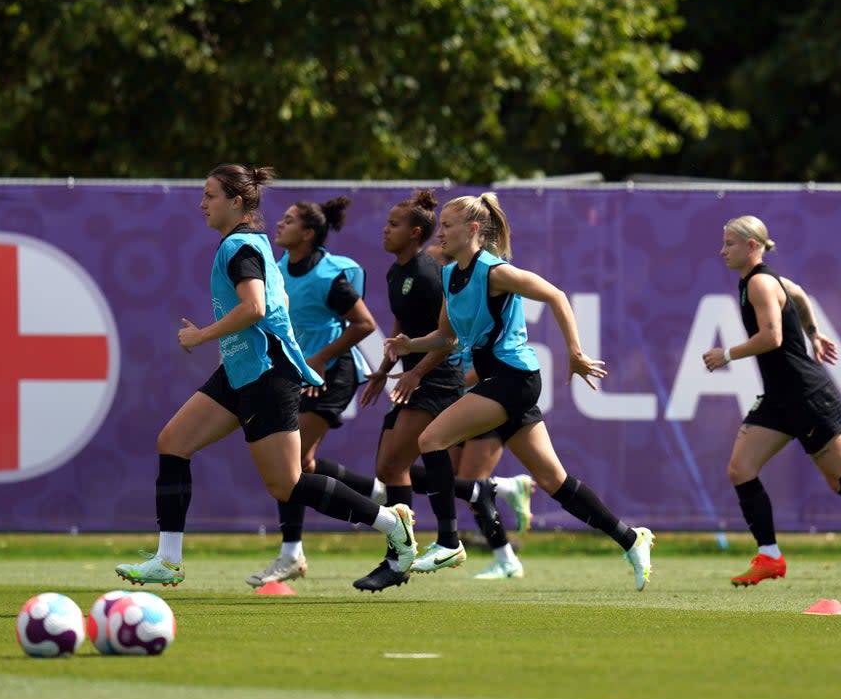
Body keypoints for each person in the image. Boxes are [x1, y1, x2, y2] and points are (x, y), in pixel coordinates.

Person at [114, 164, 416, 588]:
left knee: (287, 484)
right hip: (240, 370)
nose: (202, 203)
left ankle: (390, 523)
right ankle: (168, 559)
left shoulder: (238, 246)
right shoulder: (246, 244)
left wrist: (202, 335)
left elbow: (255, 307)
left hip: (265, 373)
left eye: (210, 195)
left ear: (236, 201)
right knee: (173, 442)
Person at [384, 192, 655, 590]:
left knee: (431, 439)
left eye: (447, 225)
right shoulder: (448, 274)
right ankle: (632, 539)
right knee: (553, 481)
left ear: (473, 230)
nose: (440, 232)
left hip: (513, 378)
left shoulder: (494, 271)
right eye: (441, 225)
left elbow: (557, 296)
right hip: (501, 379)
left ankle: (448, 541)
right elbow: (446, 336)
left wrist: (575, 354)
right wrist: (410, 345)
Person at [310, 190, 533, 591]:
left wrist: (416, 372)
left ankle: (401, 557)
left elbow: (445, 340)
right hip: (411, 376)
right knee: (386, 468)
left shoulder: (432, 275)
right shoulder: (398, 272)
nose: (385, 230)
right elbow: (401, 326)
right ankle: (477, 493)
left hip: (436, 379)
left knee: (395, 467)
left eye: (394, 225)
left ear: (415, 233)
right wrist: (384, 369)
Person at [703, 215, 841, 590]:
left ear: (752, 246)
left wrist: (727, 355)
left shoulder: (761, 284)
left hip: (807, 396)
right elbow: (798, 293)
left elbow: (772, 337)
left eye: (729, 244)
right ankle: (769, 556)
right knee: (740, 469)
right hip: (779, 398)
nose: (722, 251)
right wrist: (815, 333)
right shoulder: (761, 281)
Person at [245, 196, 380, 587]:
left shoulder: (327, 277)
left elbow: (364, 324)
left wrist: (319, 360)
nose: (279, 225)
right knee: (302, 465)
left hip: (333, 374)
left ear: (307, 233)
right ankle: (378, 492)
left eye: (288, 221)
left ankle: (291, 553)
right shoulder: (279, 268)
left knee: (293, 461)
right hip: (299, 374)